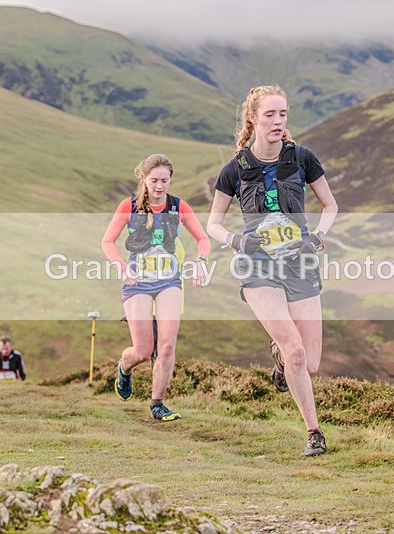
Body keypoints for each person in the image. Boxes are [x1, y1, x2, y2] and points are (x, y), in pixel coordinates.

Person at [206, 85, 338, 456]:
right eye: (270, 115)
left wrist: (318, 238)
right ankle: (314, 432)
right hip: (258, 266)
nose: (278, 121)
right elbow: (213, 224)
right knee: (296, 351)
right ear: (252, 118)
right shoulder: (234, 169)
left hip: (299, 262)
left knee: (309, 363)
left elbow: (330, 206)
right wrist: (236, 241)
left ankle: (280, 363)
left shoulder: (303, 158)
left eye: (283, 114)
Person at [102, 153, 210, 421]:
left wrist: (201, 261)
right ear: (144, 179)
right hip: (137, 283)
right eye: (154, 181)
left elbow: (203, 238)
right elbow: (107, 242)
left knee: (167, 346)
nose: (159, 186)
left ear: (170, 180)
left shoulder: (178, 206)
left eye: (164, 181)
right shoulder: (128, 206)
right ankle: (124, 368)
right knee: (142, 351)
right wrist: (122, 267)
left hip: (168, 281)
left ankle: (158, 404)